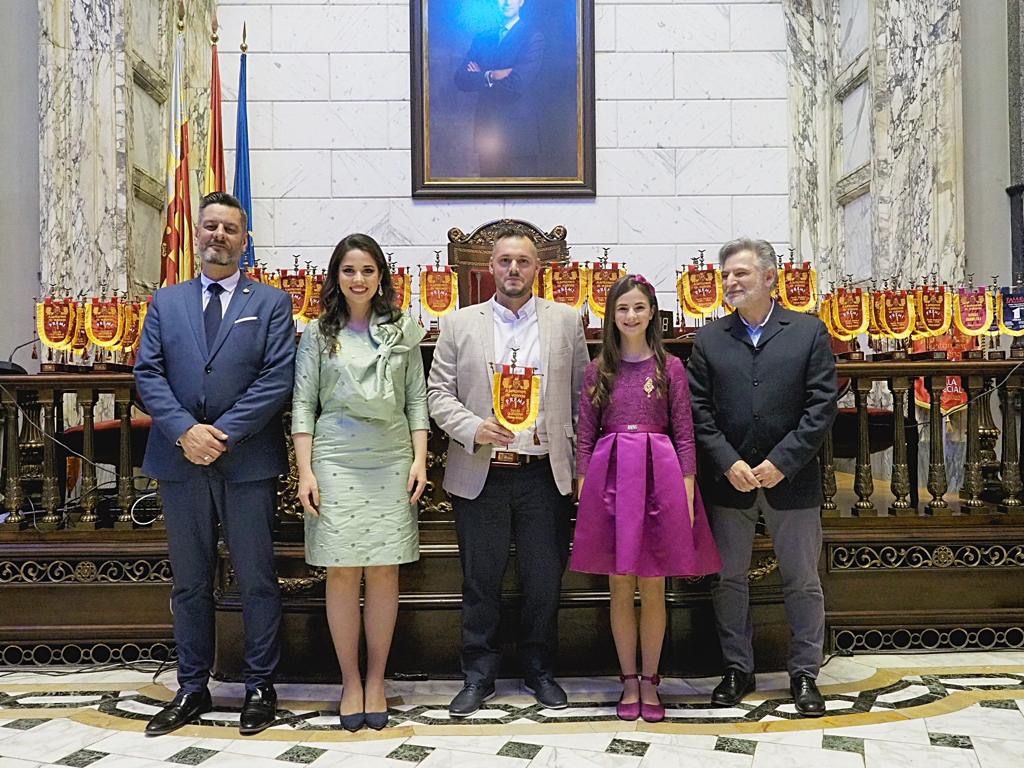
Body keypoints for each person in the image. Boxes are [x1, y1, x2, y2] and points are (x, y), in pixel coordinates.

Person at [134, 191, 295, 736]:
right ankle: (191, 686)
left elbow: (276, 378)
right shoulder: (167, 301)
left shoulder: (271, 302)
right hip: (181, 462)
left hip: (246, 460)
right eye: (210, 227)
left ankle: (259, 686)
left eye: (230, 229)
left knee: (256, 578)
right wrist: (185, 431)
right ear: (196, 235)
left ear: (244, 241)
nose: (219, 236)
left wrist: (221, 433)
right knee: (190, 581)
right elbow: (147, 375)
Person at [427, 225, 589, 717]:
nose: (513, 269)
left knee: (544, 580)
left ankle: (540, 672)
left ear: (537, 268)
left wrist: (580, 463)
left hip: (545, 473)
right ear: (489, 267)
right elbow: (437, 394)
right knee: (481, 581)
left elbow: (584, 398)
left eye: (523, 261)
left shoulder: (565, 321)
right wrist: (474, 427)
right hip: (483, 472)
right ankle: (478, 675)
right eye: (504, 261)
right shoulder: (459, 324)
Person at [687, 238, 838, 718]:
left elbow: (820, 408)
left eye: (741, 274)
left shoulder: (808, 333)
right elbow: (698, 411)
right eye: (726, 274)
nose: (731, 282)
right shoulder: (709, 339)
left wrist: (782, 461)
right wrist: (727, 461)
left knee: (802, 580)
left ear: (770, 278)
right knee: (728, 580)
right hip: (728, 481)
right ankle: (737, 669)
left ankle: (805, 673)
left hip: (790, 481)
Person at [291, 234, 429, 732]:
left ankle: (377, 678)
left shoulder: (402, 331)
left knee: (386, 570)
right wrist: (305, 469)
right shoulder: (316, 333)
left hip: (391, 457)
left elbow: (417, 400)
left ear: (381, 277)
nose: (358, 279)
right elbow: (304, 403)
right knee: (343, 570)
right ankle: (350, 680)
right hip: (335, 458)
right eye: (349, 270)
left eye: (368, 270)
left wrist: (420, 459)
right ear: (336, 276)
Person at [571, 274, 721, 723]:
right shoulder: (600, 369)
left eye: (638, 307)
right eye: (622, 309)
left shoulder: (669, 367)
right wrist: (585, 488)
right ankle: (628, 678)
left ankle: (651, 678)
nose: (631, 316)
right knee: (620, 582)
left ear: (652, 312)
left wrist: (688, 489)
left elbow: (684, 432)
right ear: (611, 316)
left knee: (653, 582)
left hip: (660, 477)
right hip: (612, 476)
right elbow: (584, 433)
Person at [454, 0, 544, 177]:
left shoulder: (533, 36)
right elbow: (461, 79)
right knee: (488, 201)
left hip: (519, 138)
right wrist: (492, 75)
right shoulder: (482, 38)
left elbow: (516, 84)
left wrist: (481, 75)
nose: (506, 2)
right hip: (488, 134)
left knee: (523, 201)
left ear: (521, 2)